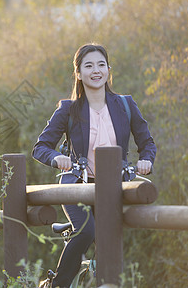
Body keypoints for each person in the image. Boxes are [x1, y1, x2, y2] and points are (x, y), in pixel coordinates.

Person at [32, 43, 156, 287]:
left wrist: (146, 161)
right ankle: (57, 285)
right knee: (87, 231)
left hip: (113, 188)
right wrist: (57, 158)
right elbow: (40, 147)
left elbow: (147, 143)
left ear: (109, 70)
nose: (96, 70)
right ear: (78, 73)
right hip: (77, 186)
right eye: (88, 66)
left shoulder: (125, 105)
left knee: (109, 245)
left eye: (101, 65)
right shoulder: (68, 109)